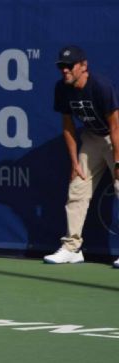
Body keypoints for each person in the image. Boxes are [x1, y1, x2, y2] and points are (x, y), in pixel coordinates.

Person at [43, 45, 119, 268]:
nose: (64, 70)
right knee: (77, 188)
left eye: (69, 66)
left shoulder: (101, 87)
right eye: (61, 67)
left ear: (83, 66)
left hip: (114, 137)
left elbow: (115, 126)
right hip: (92, 139)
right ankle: (72, 248)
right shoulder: (62, 89)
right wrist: (75, 162)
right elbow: (67, 126)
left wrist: (117, 161)